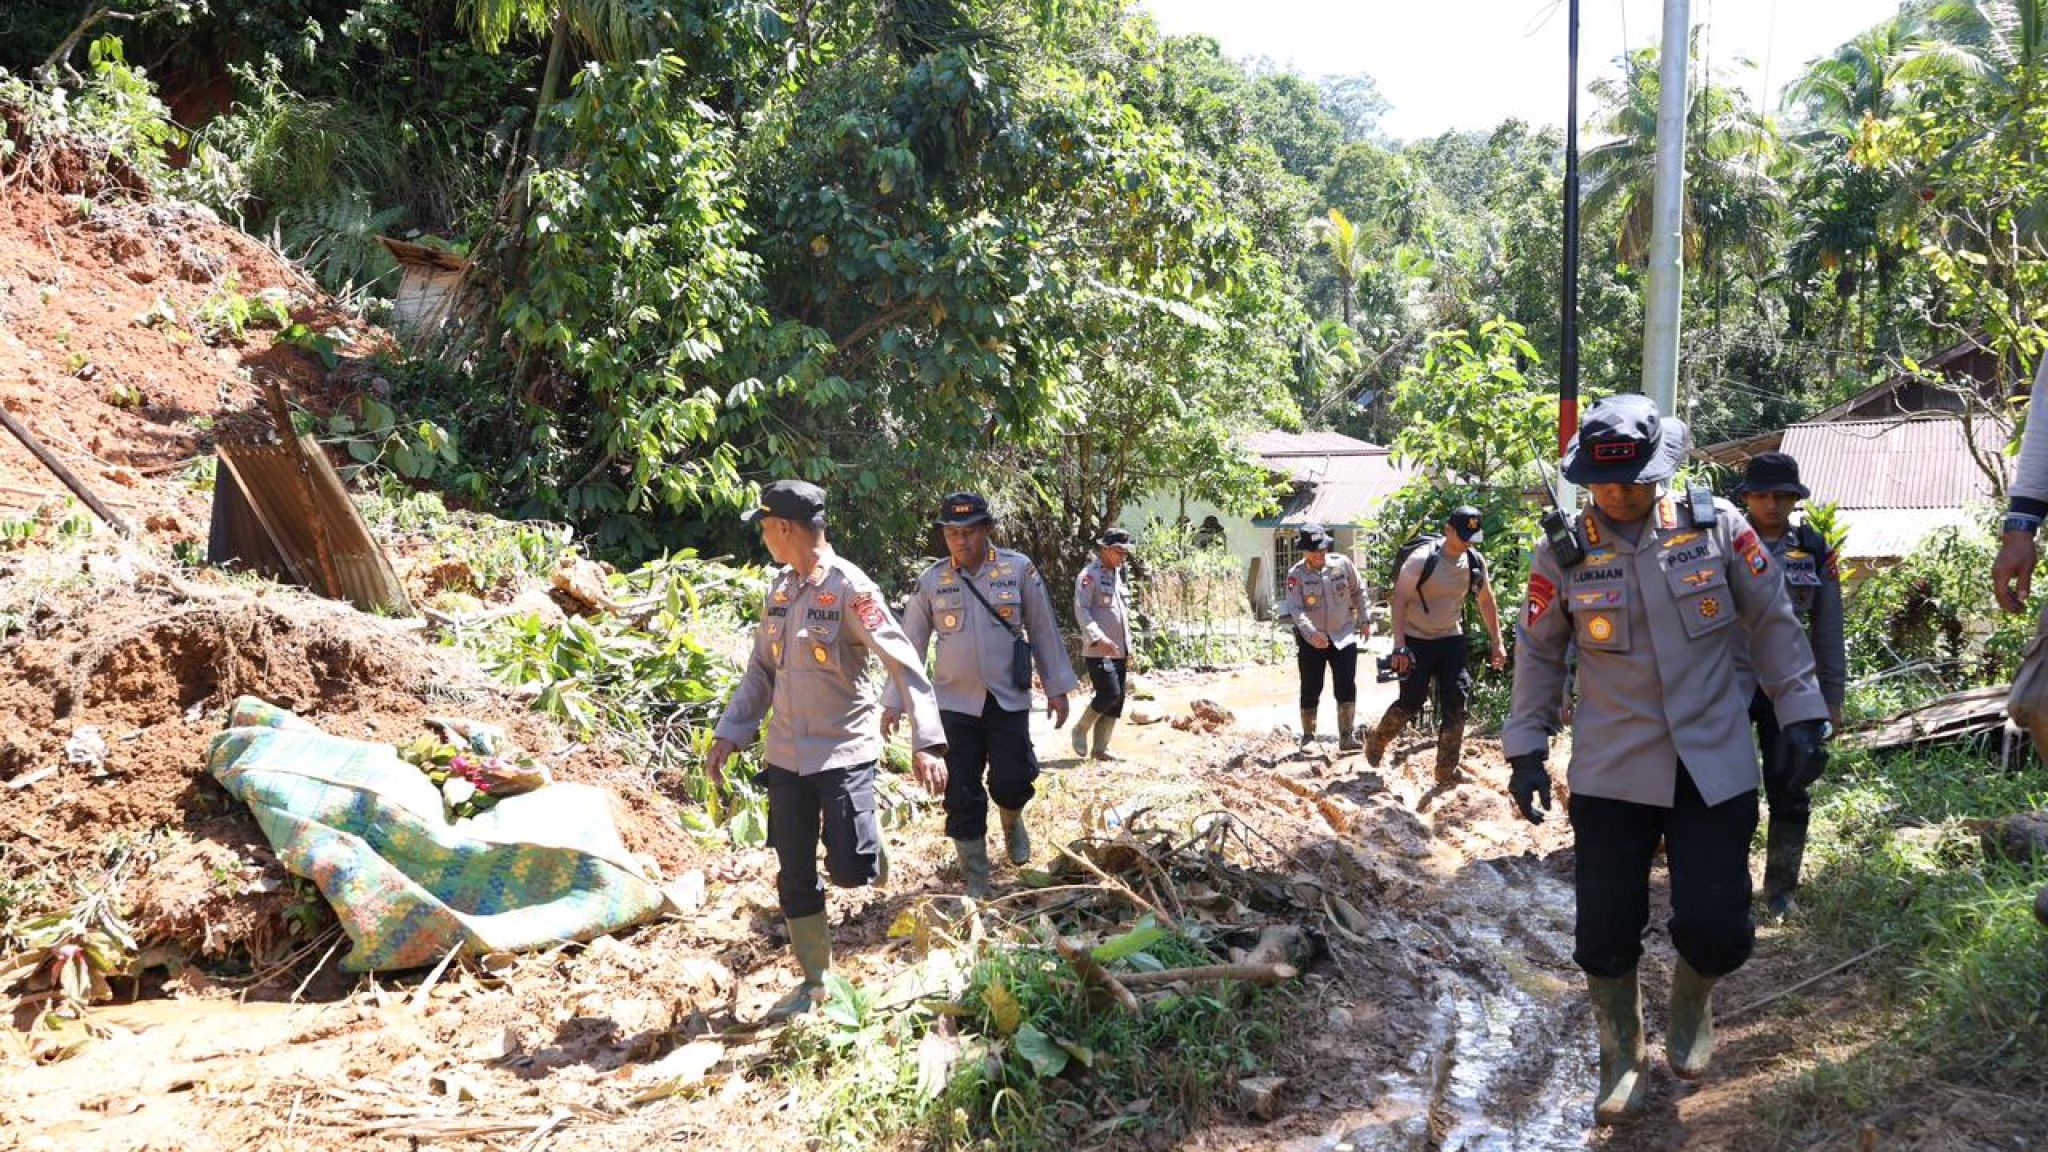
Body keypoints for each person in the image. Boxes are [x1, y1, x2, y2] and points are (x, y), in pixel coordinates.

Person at [1503, 395, 1829, 1124]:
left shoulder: (1718, 528)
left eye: (1634, 480)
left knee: (1719, 927)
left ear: (1664, 470)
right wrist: (1526, 748)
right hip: (1613, 769)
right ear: (1588, 479)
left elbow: (1773, 622)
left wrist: (1803, 713)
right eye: (1604, 482)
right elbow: (1539, 653)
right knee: (1604, 932)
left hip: (1712, 763)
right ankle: (1621, 1051)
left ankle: (1692, 997)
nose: (1619, 495)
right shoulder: (1564, 552)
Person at [705, 480, 949, 1021]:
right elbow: (761, 671)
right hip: (787, 755)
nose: (765, 537)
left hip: (844, 751)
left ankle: (869, 842)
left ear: (785, 528)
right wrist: (730, 731)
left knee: (850, 869)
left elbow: (903, 661)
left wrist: (926, 739)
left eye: (766, 527)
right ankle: (816, 982)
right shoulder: (780, 590)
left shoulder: (850, 589)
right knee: (793, 871)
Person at [887, 492, 1077, 899]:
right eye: (953, 533)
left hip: (1006, 698)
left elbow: (1043, 630)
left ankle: (1012, 819)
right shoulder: (933, 580)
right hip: (953, 703)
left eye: (970, 531)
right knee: (961, 790)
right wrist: (892, 700)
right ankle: (976, 874)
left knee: (1013, 777)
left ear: (987, 529)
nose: (961, 541)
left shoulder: (1018, 570)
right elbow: (910, 644)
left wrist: (1057, 688)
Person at [1730, 452, 1845, 916]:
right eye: (1761, 495)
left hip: (1793, 688)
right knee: (1730, 790)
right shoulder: (1723, 541)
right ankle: (1729, 888)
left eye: (1782, 496)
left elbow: (1828, 625)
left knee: (1792, 785)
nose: (1771, 504)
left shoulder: (1814, 547)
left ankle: (1780, 892)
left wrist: (1831, 697)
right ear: (1747, 498)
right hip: (1733, 683)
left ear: (1796, 499)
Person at [1364, 506, 1507, 783]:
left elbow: (1486, 600)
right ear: (1448, 530)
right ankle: (1378, 738)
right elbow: (1400, 600)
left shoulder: (1475, 562)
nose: (1468, 542)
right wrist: (1400, 646)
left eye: (1472, 536)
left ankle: (1445, 770)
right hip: (1416, 640)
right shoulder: (1421, 560)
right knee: (1411, 701)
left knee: (1456, 703)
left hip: (1450, 639)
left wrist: (1496, 641)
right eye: (1463, 535)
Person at [1281, 524, 1368, 748]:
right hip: (1313, 641)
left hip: (1344, 635)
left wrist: (1365, 620)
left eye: (1323, 549)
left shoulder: (1342, 565)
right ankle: (1309, 737)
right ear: (1304, 551)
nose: (1320, 554)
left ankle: (1347, 736)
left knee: (1346, 685)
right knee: (1311, 687)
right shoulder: (1296, 575)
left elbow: (1358, 591)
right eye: (1314, 551)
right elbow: (1296, 609)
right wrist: (1311, 633)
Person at [1072, 528, 1135, 760]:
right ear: (1105, 549)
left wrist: (1129, 647)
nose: (1123, 557)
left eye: (1125, 553)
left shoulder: (1119, 575)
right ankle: (1080, 729)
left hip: (1119, 649)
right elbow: (1082, 609)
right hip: (1099, 648)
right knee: (1109, 692)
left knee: (1117, 699)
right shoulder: (1090, 575)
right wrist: (1098, 637)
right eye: (1119, 552)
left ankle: (1101, 749)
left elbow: (1122, 614)